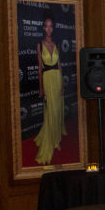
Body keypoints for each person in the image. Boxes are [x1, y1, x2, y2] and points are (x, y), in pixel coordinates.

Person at [33, 14, 66, 164]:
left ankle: (56, 136)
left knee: (57, 109)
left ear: (53, 28)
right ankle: (50, 139)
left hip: (57, 79)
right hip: (47, 79)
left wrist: (63, 84)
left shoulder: (56, 44)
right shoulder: (39, 45)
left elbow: (59, 66)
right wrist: (41, 88)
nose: (49, 29)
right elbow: (40, 69)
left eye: (51, 26)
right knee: (50, 110)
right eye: (46, 26)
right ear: (43, 28)